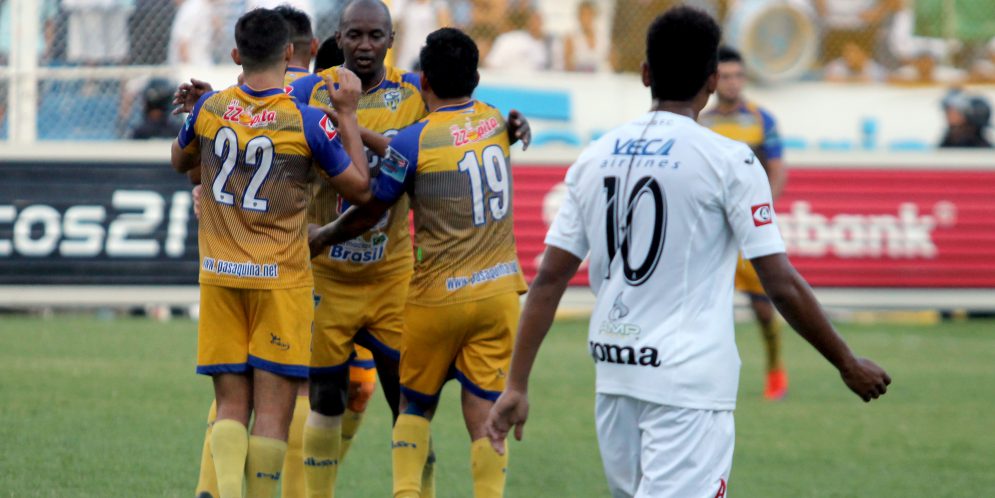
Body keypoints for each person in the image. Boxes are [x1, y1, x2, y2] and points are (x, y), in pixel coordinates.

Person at [485, 6, 891, 498]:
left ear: (646, 74)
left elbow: (549, 278)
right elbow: (780, 283)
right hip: (688, 385)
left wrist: (517, 384)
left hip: (615, 379)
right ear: (713, 80)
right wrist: (846, 361)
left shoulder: (594, 157)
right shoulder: (730, 160)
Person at [288, 2, 529, 496]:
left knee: (408, 402)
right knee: (327, 397)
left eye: (375, 36)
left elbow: (454, 121)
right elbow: (262, 112)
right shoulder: (309, 91)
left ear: (391, 39)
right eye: (355, 35)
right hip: (327, 278)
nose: (364, 45)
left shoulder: (415, 90)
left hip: (392, 276)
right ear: (339, 36)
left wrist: (512, 123)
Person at [170, 8, 371, 498]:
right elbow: (361, 190)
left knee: (230, 406)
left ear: (236, 55)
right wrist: (346, 115)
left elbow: (181, 161)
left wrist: (201, 118)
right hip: (281, 281)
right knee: (275, 415)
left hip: (220, 276)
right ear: (288, 53)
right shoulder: (305, 120)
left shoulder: (210, 108)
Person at [699, 45, 789, 400]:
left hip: (747, 230)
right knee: (704, 308)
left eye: (738, 76)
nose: (733, 82)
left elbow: (777, 169)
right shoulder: (701, 122)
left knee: (764, 308)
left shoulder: (762, 120)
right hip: (710, 230)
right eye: (726, 76)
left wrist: (762, 210)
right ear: (713, 79)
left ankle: (775, 368)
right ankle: (704, 373)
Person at [563, 0, 609, 73]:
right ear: (578, 17)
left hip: (600, 76)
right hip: (579, 76)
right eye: (583, 14)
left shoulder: (603, 38)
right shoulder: (571, 38)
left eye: (589, 14)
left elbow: (609, 61)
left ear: (594, 16)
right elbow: (567, 66)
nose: (586, 18)